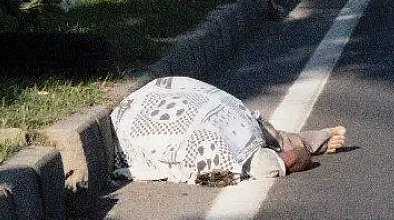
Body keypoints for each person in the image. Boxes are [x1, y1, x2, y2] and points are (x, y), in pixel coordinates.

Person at [111, 76, 346, 185]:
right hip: (147, 112)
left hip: (140, 111)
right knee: (266, 152)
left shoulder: (239, 147)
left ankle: (290, 140)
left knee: (260, 144)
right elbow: (291, 160)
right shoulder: (237, 159)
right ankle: (293, 141)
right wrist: (301, 155)